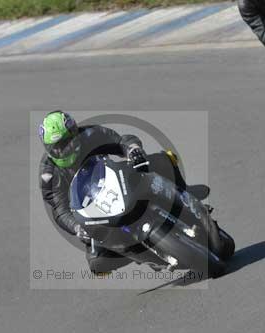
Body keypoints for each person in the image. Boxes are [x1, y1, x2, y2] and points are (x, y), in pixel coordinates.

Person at [39, 110, 234, 273]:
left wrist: (132, 149)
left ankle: (183, 194)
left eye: (68, 141)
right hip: (95, 210)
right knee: (98, 263)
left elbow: (121, 141)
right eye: (59, 146)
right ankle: (149, 256)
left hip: (116, 181)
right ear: (49, 149)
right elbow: (60, 209)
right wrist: (76, 227)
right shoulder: (49, 174)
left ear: (75, 133)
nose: (66, 148)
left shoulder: (91, 134)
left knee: (162, 159)